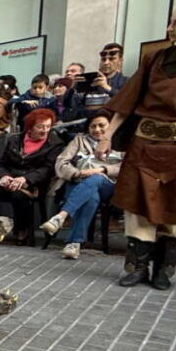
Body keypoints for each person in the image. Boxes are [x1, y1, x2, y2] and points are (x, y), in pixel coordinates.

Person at [100, 0, 176, 289]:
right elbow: (130, 99)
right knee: (138, 204)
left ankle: (163, 269)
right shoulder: (155, 58)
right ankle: (137, 265)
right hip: (146, 143)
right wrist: (108, 133)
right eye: (170, 22)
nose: (170, 28)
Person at [40, 110, 122, 259]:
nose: (97, 130)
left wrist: (102, 169)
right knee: (91, 198)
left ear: (110, 126)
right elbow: (61, 162)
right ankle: (74, 244)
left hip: (108, 184)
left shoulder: (119, 141)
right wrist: (77, 173)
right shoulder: (79, 140)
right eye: (93, 126)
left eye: (102, 125)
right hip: (78, 181)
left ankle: (61, 216)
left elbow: (126, 166)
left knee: (96, 178)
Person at [0, 108, 64, 243]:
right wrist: (3, 176)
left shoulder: (55, 143)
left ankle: (21, 230)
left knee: (18, 195)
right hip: (10, 178)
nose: (45, 130)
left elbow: (47, 169)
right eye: (40, 126)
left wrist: (25, 179)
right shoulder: (14, 140)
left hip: (33, 184)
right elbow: (2, 164)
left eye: (48, 126)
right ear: (30, 127)